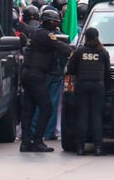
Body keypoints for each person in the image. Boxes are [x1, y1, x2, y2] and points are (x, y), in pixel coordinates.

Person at [20, 9, 74, 152]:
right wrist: (75, 52)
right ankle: (38, 141)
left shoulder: (35, 33)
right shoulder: (46, 35)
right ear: (50, 22)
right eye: (55, 23)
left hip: (27, 74)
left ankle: (26, 142)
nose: (56, 26)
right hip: (35, 76)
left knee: (29, 109)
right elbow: (61, 47)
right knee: (46, 108)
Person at [65, 27, 110, 156]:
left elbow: (71, 69)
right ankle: (98, 148)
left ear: (85, 37)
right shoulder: (103, 52)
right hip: (97, 85)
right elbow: (108, 71)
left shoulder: (79, 52)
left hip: (82, 85)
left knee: (82, 116)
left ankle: (80, 147)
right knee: (96, 117)